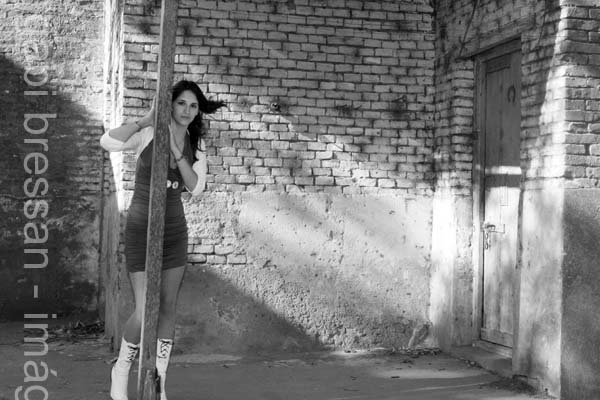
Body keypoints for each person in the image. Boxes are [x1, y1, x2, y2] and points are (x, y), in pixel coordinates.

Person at [100, 80, 225, 400]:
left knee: (168, 306)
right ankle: (121, 370)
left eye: (193, 106)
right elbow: (108, 142)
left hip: (173, 231)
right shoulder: (147, 133)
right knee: (145, 310)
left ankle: (159, 380)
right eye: (181, 103)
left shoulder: (197, 144)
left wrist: (176, 151)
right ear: (169, 105)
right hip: (141, 226)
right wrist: (146, 120)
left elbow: (196, 187)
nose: (187, 110)